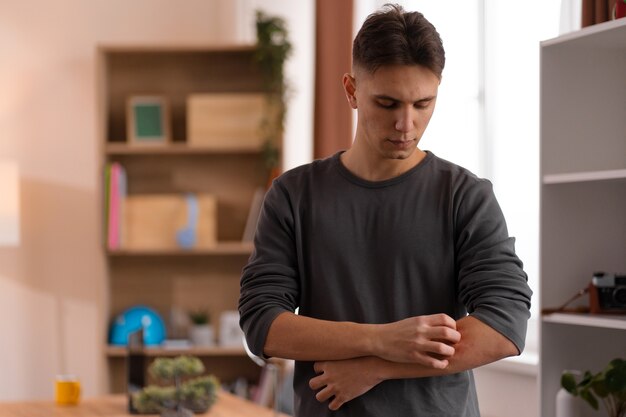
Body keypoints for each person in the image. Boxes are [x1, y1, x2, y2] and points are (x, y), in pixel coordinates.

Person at [239, 4, 532, 416]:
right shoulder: (293, 195)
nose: (406, 125)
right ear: (351, 90)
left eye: (423, 103)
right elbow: (262, 323)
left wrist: (380, 367)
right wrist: (379, 339)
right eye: (388, 103)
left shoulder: (465, 196)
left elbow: (505, 323)